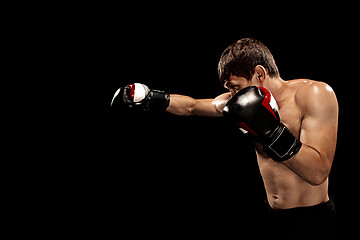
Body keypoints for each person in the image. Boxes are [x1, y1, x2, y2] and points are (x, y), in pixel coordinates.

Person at [111, 38, 338, 239]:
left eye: (235, 87)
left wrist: (271, 130)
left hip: (314, 220)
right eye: (229, 90)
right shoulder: (238, 101)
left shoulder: (314, 95)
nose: (232, 97)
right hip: (273, 215)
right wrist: (151, 96)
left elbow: (318, 172)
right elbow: (192, 106)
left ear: (260, 73)